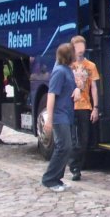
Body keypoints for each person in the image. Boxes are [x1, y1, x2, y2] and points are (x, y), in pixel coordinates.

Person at [41, 43, 79, 192]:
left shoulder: (67, 70)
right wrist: (49, 119)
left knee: (66, 147)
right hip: (59, 115)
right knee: (64, 146)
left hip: (67, 113)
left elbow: (71, 87)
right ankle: (49, 179)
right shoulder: (59, 72)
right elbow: (51, 95)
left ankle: (57, 178)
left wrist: (76, 90)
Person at [69, 35, 100, 181]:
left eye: (82, 47)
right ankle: (75, 168)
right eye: (77, 48)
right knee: (73, 139)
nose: (80, 51)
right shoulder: (68, 65)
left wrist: (96, 107)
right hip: (69, 105)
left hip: (85, 105)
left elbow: (94, 87)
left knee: (84, 139)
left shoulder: (91, 66)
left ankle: (77, 164)